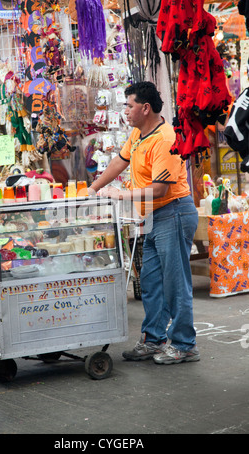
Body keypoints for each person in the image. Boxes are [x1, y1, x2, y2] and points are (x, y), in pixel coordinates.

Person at [89, 81, 199, 365]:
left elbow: (161, 189)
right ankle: (154, 339)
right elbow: (119, 162)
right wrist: (93, 189)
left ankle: (185, 344)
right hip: (152, 216)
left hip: (172, 212)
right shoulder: (138, 134)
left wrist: (121, 194)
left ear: (145, 108)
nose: (124, 110)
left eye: (129, 105)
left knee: (175, 284)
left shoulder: (165, 138)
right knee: (150, 281)